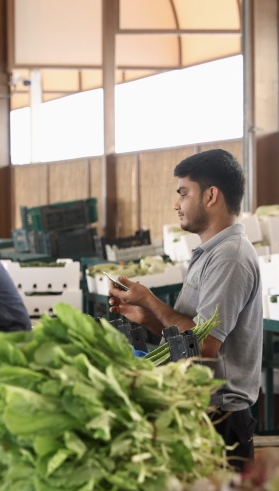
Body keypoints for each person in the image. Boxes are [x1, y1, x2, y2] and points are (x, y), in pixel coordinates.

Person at [108, 149, 262, 470]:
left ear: (211, 196)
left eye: (183, 193)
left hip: (220, 423)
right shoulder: (211, 252)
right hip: (200, 412)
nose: (177, 204)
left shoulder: (230, 258)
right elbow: (188, 330)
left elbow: (204, 345)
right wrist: (144, 315)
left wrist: (151, 300)